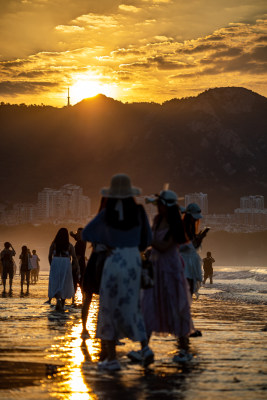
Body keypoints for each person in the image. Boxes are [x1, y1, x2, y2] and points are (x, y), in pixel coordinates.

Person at [82, 173, 153, 371]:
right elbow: (148, 239)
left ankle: (112, 359)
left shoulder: (107, 213)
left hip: (113, 260)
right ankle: (145, 347)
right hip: (132, 260)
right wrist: (133, 246)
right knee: (133, 304)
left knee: (110, 305)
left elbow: (86, 234)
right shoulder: (138, 211)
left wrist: (106, 243)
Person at [131, 190, 194, 363]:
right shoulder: (158, 221)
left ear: (166, 206)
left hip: (170, 269)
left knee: (176, 307)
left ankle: (183, 350)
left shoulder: (175, 224)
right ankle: (144, 348)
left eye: (159, 204)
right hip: (156, 268)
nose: (157, 207)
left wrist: (147, 239)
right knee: (149, 305)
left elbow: (165, 246)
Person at [81, 197, 107, 340]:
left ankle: (85, 329)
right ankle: (105, 332)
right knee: (106, 299)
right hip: (103, 261)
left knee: (88, 298)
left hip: (94, 260)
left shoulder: (96, 222)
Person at [48, 228, 79, 311]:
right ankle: (62, 303)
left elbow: (49, 255)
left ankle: (57, 299)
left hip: (56, 262)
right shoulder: (69, 245)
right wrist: (77, 267)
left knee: (56, 282)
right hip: (66, 264)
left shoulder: (54, 244)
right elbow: (74, 258)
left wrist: (52, 265)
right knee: (65, 283)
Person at [180, 203, 205, 297]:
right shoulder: (182, 228)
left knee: (188, 291)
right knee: (186, 291)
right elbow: (179, 247)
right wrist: (194, 242)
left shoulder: (191, 228)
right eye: (194, 217)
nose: (195, 219)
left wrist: (198, 239)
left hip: (189, 263)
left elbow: (193, 247)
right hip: (183, 262)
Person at [70, 228, 87, 305]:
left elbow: (79, 256)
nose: (78, 234)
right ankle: (77, 299)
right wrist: (73, 234)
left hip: (79, 263)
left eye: (80, 233)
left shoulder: (81, 242)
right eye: (78, 233)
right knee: (77, 282)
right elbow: (75, 237)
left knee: (78, 282)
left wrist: (75, 265)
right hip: (80, 263)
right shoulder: (81, 241)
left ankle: (79, 299)